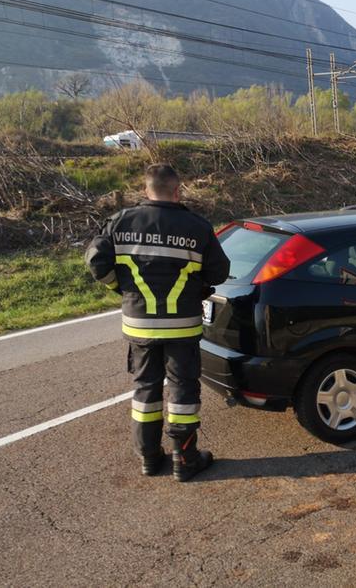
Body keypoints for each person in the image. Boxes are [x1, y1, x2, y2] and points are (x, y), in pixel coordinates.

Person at [86, 164, 230, 482]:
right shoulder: (197, 226)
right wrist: (198, 285)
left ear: (145, 189)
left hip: (140, 326)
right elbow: (219, 272)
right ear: (177, 191)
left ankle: (149, 459)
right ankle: (185, 460)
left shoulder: (120, 222)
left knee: (145, 390)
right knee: (182, 391)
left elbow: (95, 259)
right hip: (183, 325)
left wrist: (120, 287)